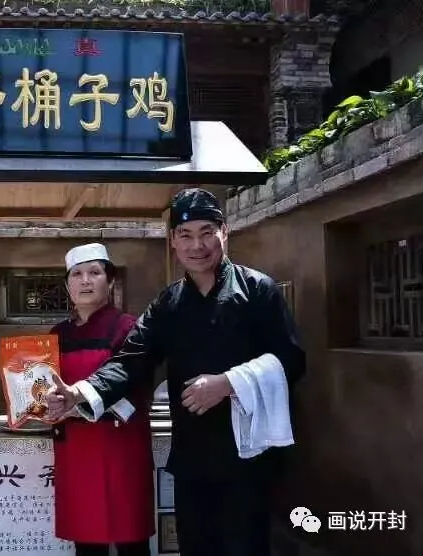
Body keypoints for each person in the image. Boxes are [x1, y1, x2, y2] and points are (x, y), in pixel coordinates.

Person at [46, 188, 306, 556]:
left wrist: (229, 383)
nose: (196, 245)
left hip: (248, 455)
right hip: (193, 456)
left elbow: (291, 358)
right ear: (172, 240)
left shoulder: (257, 290)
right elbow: (131, 359)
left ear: (224, 232)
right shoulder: (169, 304)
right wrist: (81, 392)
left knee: (245, 546)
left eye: (206, 232)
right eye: (185, 235)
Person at [50, 243, 154, 556]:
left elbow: (137, 390)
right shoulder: (57, 335)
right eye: (77, 274)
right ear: (67, 285)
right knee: (86, 542)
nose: (85, 281)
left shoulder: (129, 328)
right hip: (76, 450)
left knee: (130, 540)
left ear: (110, 282)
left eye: (94, 273)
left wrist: (80, 406)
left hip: (121, 447)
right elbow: (42, 387)